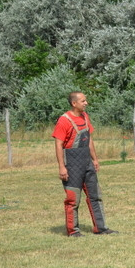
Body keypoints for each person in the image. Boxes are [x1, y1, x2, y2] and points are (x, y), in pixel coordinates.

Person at [52, 92, 117, 237]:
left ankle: (100, 228)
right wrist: (62, 167)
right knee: (73, 199)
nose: (86, 103)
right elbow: (58, 144)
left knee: (95, 195)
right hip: (72, 163)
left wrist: (95, 159)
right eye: (83, 101)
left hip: (87, 161)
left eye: (86, 100)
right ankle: (73, 231)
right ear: (74, 103)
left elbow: (89, 140)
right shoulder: (64, 120)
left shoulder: (85, 117)